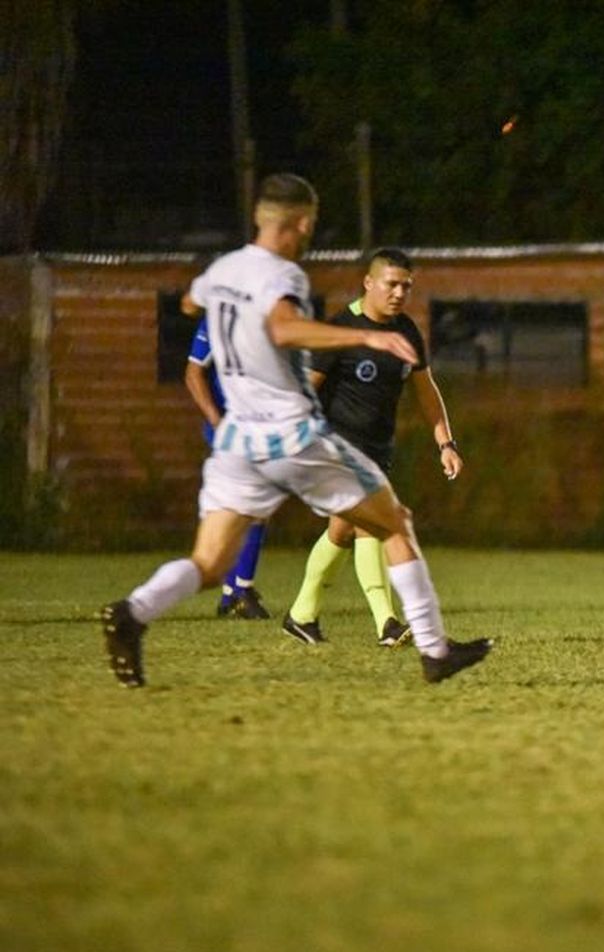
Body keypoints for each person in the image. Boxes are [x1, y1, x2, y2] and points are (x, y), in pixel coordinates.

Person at [100, 173, 491, 686]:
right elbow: (283, 327)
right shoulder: (283, 276)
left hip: (238, 441)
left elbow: (191, 304)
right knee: (395, 521)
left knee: (209, 562)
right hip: (290, 434)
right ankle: (434, 650)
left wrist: (227, 310)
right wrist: (365, 341)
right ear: (302, 222)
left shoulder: (225, 269)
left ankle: (132, 613)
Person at [282, 247, 462, 647]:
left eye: (406, 286)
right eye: (391, 284)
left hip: (378, 449)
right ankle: (388, 624)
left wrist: (445, 443)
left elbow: (426, 391)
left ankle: (300, 616)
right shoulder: (341, 331)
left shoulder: (406, 331)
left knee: (342, 531)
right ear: (368, 283)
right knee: (374, 524)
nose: (399, 293)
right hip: (337, 447)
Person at [184, 318, 271, 618]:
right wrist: (216, 420)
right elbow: (193, 373)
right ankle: (239, 590)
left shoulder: (274, 316)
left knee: (249, 508)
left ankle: (232, 593)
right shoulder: (217, 321)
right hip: (232, 430)